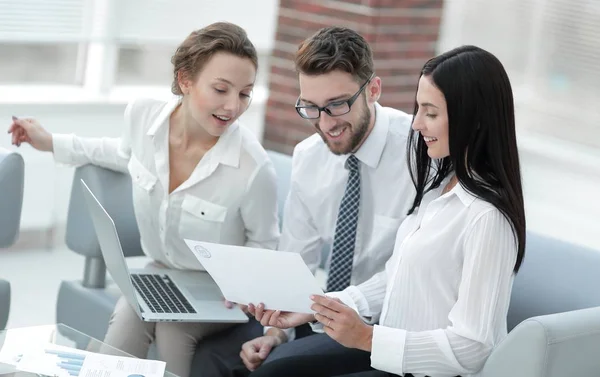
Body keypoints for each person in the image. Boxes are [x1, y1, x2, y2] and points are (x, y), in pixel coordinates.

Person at [7, 22, 280, 377]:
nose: (233, 106)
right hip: (160, 275)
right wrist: (51, 142)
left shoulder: (254, 168)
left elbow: (266, 246)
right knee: (128, 315)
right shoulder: (142, 116)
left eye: (245, 94)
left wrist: (249, 292)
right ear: (185, 79)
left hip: (217, 292)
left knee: (171, 329)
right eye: (220, 89)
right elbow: (121, 154)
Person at [249, 45, 527, 377]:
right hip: (391, 351)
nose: (418, 124)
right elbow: (395, 279)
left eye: (431, 113)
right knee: (274, 371)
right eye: (419, 109)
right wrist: (316, 311)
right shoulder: (441, 187)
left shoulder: (486, 217)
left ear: (474, 119)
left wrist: (367, 337)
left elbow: (473, 348)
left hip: (427, 368)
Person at [193, 26, 415, 377]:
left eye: (337, 105)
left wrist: (326, 309)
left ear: (373, 89)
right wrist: (276, 332)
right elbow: (297, 260)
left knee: (274, 372)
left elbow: (412, 273)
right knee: (212, 356)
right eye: (310, 107)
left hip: (384, 326)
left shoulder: (420, 154)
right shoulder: (310, 157)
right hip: (322, 317)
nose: (325, 123)